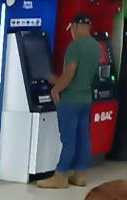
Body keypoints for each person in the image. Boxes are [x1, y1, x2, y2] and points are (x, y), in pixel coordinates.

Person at [38, 14, 99, 190]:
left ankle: (61, 175)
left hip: (70, 99)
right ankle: (80, 174)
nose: (71, 32)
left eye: (71, 28)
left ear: (76, 26)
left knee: (68, 139)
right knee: (83, 136)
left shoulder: (75, 47)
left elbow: (70, 74)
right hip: (86, 98)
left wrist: (55, 88)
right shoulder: (96, 46)